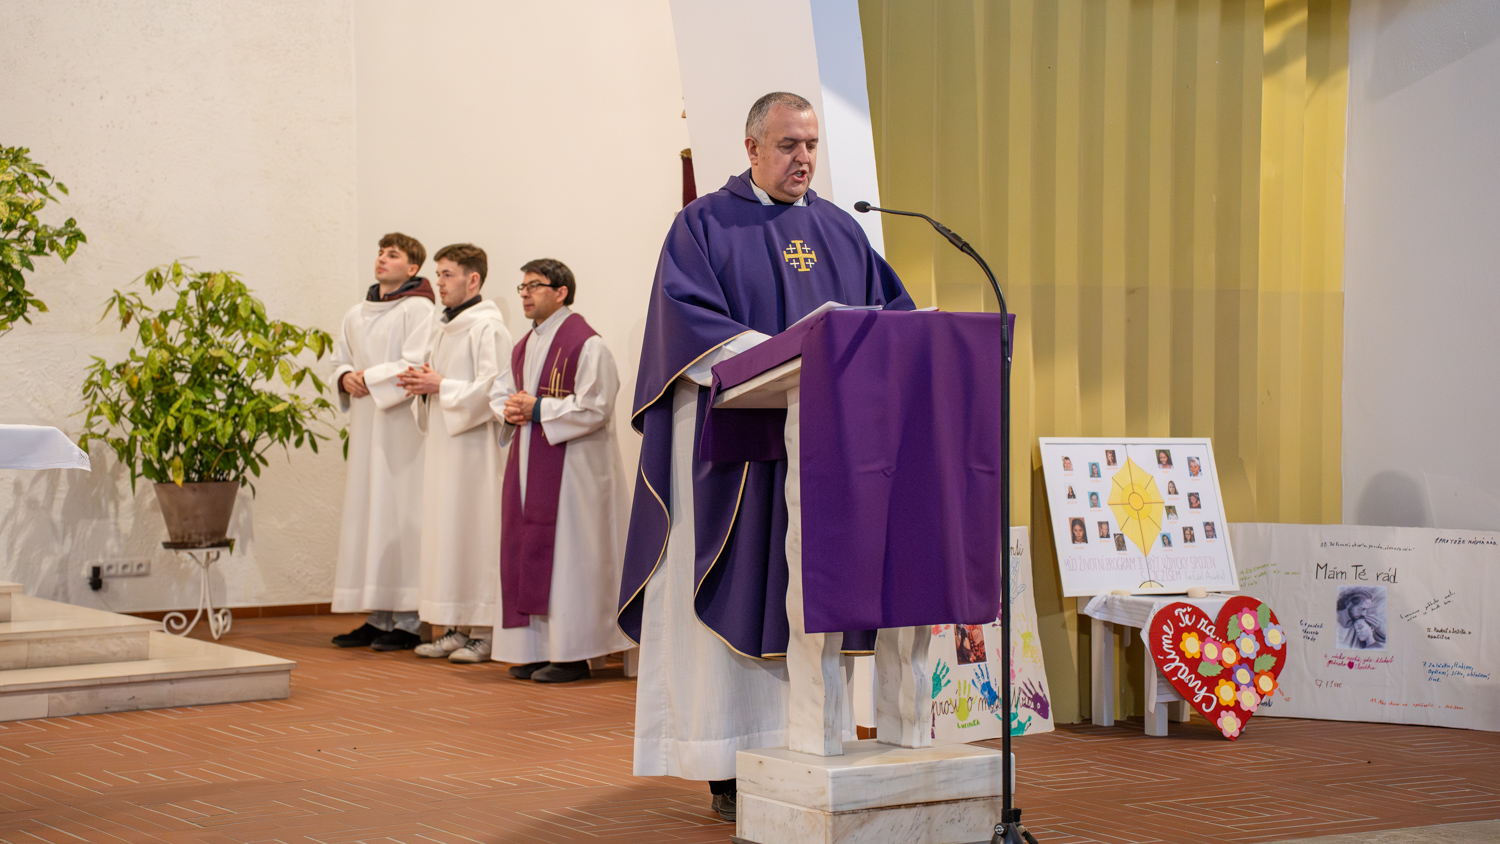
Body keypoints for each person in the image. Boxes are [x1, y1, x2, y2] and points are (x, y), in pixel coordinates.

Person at [619, 91, 914, 823]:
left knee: (815, 594)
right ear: (751, 148)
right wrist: (787, 355)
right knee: (741, 582)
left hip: (825, 452)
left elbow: (895, 322)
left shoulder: (842, 229)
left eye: (810, 144)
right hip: (736, 454)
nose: (803, 158)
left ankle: (814, 742)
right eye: (787, 145)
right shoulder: (704, 225)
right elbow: (686, 323)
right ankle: (726, 761)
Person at [489, 259, 632, 683]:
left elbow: (596, 405)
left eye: (534, 285)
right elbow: (501, 392)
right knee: (528, 551)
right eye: (522, 287)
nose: (525, 294)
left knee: (571, 559)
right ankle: (539, 649)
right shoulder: (524, 346)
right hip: (530, 465)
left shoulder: (587, 344)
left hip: (575, 473)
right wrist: (511, 409)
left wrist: (539, 409)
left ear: (561, 291)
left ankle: (574, 653)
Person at [397, 244, 512, 664]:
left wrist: (440, 385)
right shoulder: (443, 326)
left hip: (477, 451)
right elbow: (437, 380)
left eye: (447, 275)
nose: (439, 283)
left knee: (477, 533)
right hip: (445, 447)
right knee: (451, 535)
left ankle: (484, 632)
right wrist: (422, 385)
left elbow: (494, 389)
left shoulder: (489, 329)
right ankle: (457, 627)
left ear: (473, 279)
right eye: (439, 274)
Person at [329, 233, 436, 652]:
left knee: (399, 512)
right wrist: (344, 378)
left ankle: (409, 620)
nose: (381, 259)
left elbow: (416, 362)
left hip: (401, 428)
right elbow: (339, 359)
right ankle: (378, 616)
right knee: (369, 513)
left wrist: (368, 377)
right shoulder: (356, 312)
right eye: (380, 253)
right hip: (366, 423)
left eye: (393, 255)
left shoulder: (419, 308)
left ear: (412, 268)